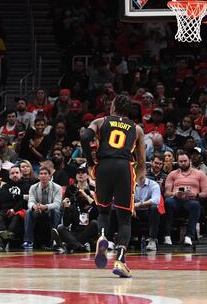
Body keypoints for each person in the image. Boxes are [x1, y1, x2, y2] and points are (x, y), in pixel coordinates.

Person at [81, 94, 146, 278]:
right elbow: (141, 161)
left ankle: (102, 236)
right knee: (125, 218)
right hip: (124, 167)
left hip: (103, 166)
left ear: (114, 107)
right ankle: (121, 261)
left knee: (103, 211)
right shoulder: (137, 129)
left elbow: (85, 137)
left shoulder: (101, 121)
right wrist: (138, 179)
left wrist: (90, 161)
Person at [162, 151, 207, 247]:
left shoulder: (200, 174)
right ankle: (167, 235)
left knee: (195, 205)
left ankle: (189, 236)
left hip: (191, 200)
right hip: (176, 200)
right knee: (168, 202)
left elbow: (206, 193)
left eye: (185, 161)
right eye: (180, 161)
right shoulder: (172, 174)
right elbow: (166, 193)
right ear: (177, 162)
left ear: (190, 160)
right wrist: (175, 194)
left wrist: (196, 195)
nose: (183, 163)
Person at [22, 167, 62, 250]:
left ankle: (54, 239)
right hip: (38, 210)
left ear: (50, 176)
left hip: (50, 210)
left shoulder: (57, 188)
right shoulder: (33, 187)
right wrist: (34, 206)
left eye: (45, 174)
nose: (43, 176)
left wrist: (46, 207)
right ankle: (28, 241)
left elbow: (57, 204)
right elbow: (30, 201)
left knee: (56, 210)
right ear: (38, 176)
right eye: (41, 174)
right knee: (29, 211)